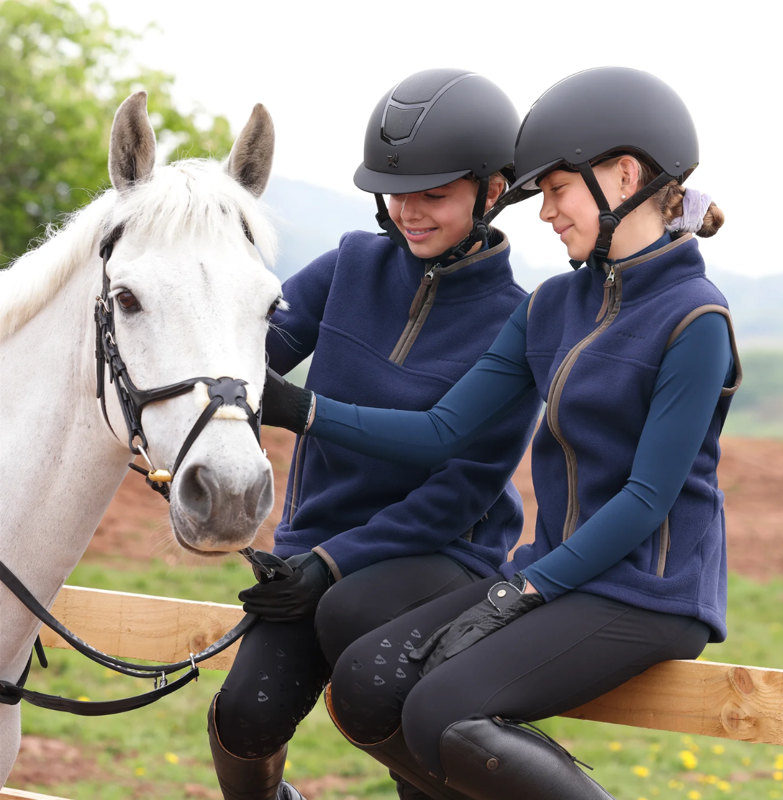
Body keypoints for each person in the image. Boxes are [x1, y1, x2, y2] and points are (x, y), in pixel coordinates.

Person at [260, 67, 742, 799]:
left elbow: (647, 499)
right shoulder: (551, 306)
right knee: (365, 681)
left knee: (442, 714)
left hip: (649, 593)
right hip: (557, 570)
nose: (543, 211)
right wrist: (302, 410)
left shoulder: (695, 319)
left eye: (556, 189)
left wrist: (523, 588)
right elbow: (439, 431)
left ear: (623, 175)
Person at [207, 68, 539, 800]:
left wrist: (331, 563)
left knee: (374, 680)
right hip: (312, 556)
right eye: (395, 192)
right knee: (243, 717)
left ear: (493, 191)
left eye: (434, 194)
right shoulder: (351, 263)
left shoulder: (517, 321)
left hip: (438, 555)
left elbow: (459, 494)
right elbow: (258, 359)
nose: (409, 212)